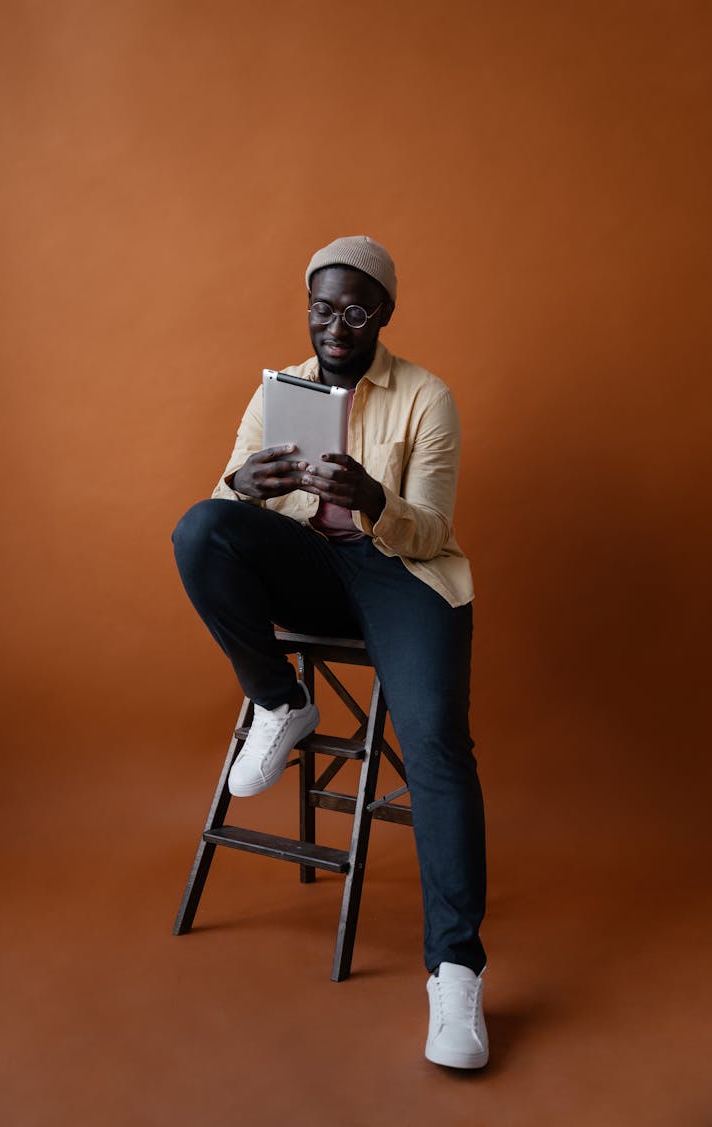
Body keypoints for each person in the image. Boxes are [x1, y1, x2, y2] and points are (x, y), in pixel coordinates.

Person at [172, 236, 489, 1069]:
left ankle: (455, 971)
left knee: (436, 746)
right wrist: (244, 485)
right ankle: (281, 701)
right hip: (309, 568)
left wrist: (376, 499)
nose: (335, 326)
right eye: (321, 309)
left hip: (402, 573)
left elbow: (434, 530)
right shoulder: (278, 389)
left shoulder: (427, 397)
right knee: (198, 527)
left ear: (382, 312)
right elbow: (222, 515)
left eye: (354, 310)